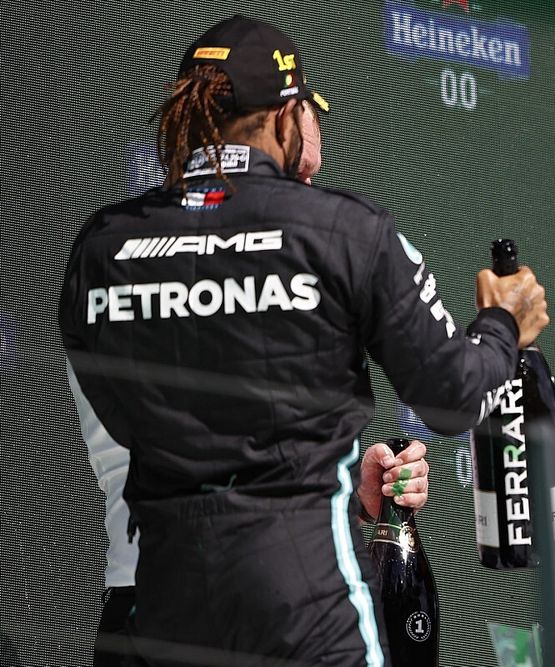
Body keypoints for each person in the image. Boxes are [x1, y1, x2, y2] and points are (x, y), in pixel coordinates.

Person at [59, 14, 548, 667]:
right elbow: (453, 396)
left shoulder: (104, 243)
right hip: (300, 591)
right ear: (287, 115)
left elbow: (130, 413)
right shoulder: (342, 229)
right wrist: (502, 325)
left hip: (156, 598)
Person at [68, 64, 432, 667]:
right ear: (274, 125)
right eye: (303, 125)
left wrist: (350, 498)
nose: (313, 163)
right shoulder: (291, 255)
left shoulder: (116, 249)